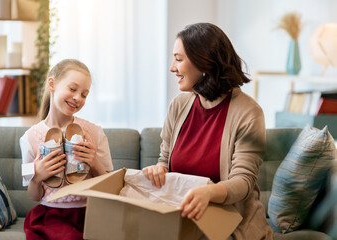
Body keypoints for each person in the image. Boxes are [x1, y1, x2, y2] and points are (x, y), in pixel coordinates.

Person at [142, 23, 273, 239]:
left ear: (204, 61)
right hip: (183, 222)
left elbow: (243, 182)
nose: (172, 67)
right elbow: (164, 160)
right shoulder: (178, 106)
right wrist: (158, 169)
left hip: (232, 225)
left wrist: (209, 192)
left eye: (179, 59)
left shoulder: (249, 112)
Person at [20, 59, 113, 240]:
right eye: (72, 89)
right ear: (52, 84)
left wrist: (94, 163)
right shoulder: (29, 138)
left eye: (84, 94)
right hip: (52, 216)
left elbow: (109, 187)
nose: (78, 97)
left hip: (90, 213)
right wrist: (37, 175)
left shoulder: (95, 133)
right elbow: (34, 195)